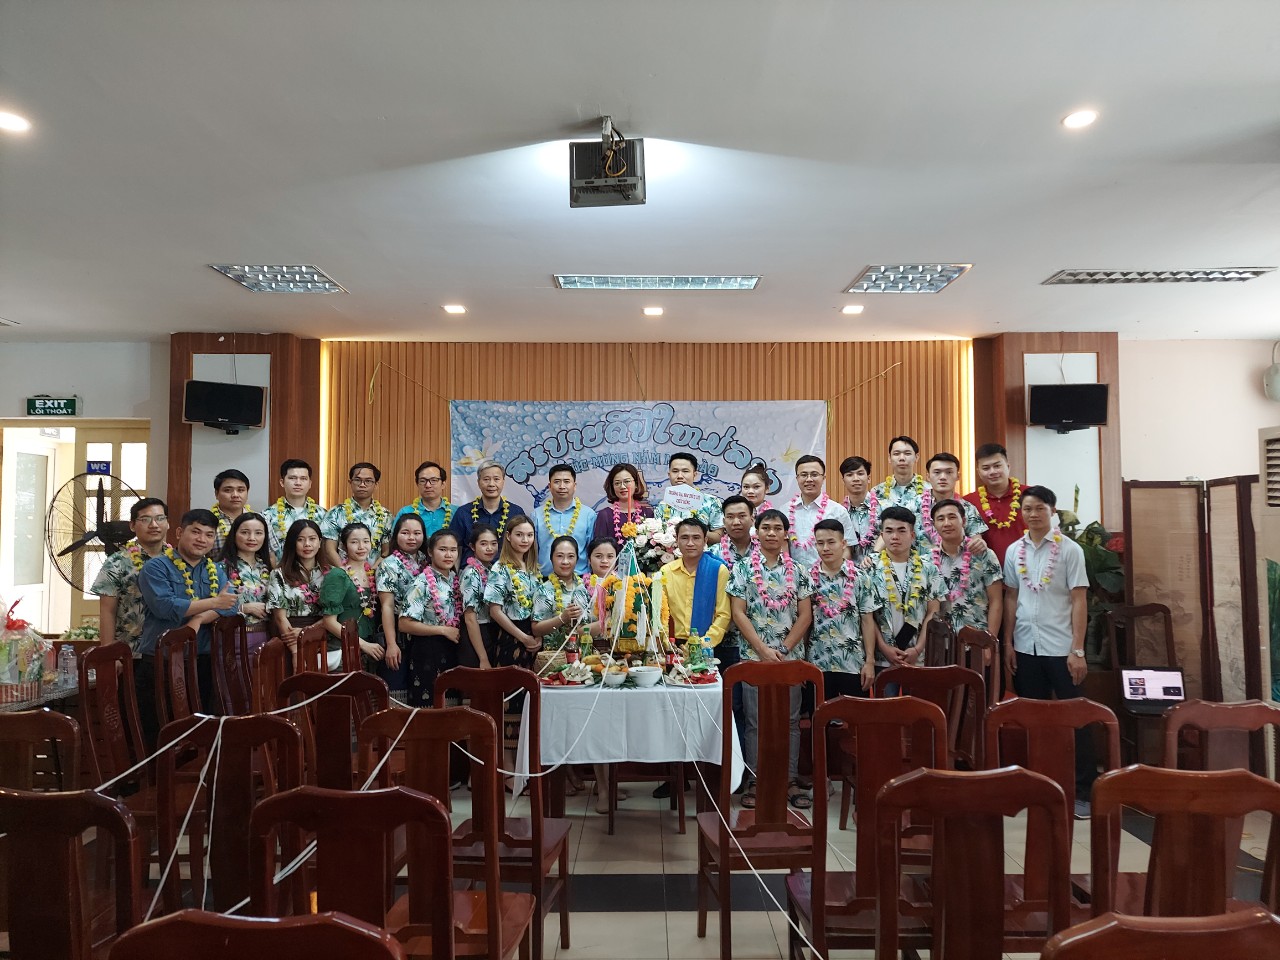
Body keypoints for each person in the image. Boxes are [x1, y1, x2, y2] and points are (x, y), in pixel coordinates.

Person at [1002, 485, 1096, 816]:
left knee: (1076, 719)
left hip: (1061, 648)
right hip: (1026, 646)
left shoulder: (1070, 550)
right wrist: (1009, 643)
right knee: (1033, 720)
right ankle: (1037, 786)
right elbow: (1011, 597)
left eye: (1040, 508)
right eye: (1027, 509)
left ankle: (1083, 791)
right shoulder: (1014, 550)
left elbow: (1079, 600)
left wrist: (1078, 650)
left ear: (1052, 511)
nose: (1033, 514)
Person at [727, 508, 813, 811]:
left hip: (790, 660)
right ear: (757, 532)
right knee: (754, 722)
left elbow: (805, 615)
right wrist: (763, 651)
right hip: (754, 659)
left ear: (786, 534)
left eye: (778, 528)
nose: (772, 533)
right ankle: (755, 780)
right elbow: (738, 613)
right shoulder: (742, 569)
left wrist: (785, 650)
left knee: (790, 722)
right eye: (766, 528)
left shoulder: (799, 571)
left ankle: (789, 780)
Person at [138, 509, 239, 748]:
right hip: (162, 661)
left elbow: (231, 606)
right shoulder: (156, 567)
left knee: (201, 730)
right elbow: (165, 606)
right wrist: (214, 603)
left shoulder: (215, 570)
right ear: (179, 532)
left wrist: (199, 619)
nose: (202, 539)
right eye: (196, 532)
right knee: (162, 732)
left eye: (209, 535)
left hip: (202, 660)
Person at [864, 506, 944, 674]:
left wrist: (918, 649)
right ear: (882, 535)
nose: (895, 536)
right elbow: (866, 614)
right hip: (881, 657)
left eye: (901, 531)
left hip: (918, 657)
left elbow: (933, 612)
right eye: (889, 531)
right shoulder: (870, 568)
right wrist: (883, 647)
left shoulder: (929, 568)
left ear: (912, 535)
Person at [807, 518, 877, 699]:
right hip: (818, 662)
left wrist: (870, 662)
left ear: (843, 543)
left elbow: (867, 621)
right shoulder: (807, 578)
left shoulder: (860, 577)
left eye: (831, 542)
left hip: (852, 663)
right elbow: (804, 622)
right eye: (820, 543)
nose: (825, 548)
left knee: (856, 714)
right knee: (820, 714)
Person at [92, 497, 169, 658]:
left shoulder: (176, 560)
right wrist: (110, 655)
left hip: (169, 652)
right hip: (130, 654)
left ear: (167, 523)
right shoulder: (117, 562)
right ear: (132, 525)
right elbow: (107, 611)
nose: (154, 525)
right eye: (145, 519)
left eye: (160, 518)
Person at [400, 530, 465, 706]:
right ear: (430, 551)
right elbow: (404, 624)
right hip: (427, 650)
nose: (448, 555)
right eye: (442, 549)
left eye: (453, 550)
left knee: (451, 707)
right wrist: (443, 630)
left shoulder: (455, 579)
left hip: (452, 649)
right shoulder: (421, 582)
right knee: (429, 707)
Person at [930, 499, 1003, 641]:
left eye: (952, 517)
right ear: (934, 525)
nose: (947, 523)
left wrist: (990, 643)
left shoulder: (984, 555)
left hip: (977, 640)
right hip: (940, 642)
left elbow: (996, 602)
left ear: (963, 521)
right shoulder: (928, 560)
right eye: (941, 519)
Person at [657, 518, 731, 649]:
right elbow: (660, 612)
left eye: (696, 538)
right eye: (684, 538)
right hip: (672, 646)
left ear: (705, 541)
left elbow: (723, 614)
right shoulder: (666, 571)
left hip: (708, 646)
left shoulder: (718, 570)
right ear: (677, 540)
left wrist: (701, 644)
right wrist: (667, 642)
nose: (690, 543)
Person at [318, 523, 382, 673]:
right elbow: (329, 622)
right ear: (344, 546)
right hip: (342, 649)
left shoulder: (374, 574)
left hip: (369, 650)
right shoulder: (338, 575)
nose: (361, 547)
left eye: (366, 541)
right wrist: (363, 645)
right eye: (354, 542)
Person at [375, 513, 425, 701]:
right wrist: (391, 644)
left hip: (423, 632)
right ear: (396, 535)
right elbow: (387, 606)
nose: (412, 538)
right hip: (397, 631)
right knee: (397, 688)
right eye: (405, 533)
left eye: (417, 533)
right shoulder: (389, 564)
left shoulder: (427, 560)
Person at [484, 514, 541, 667]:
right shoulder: (500, 568)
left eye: (529, 535)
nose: (525, 540)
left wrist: (538, 635)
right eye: (519, 535)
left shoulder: (532, 568)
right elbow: (495, 611)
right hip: (511, 635)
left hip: (533, 635)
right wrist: (523, 638)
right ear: (508, 536)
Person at [962, 442, 1028, 565]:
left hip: (1026, 567)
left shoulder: (1030, 495)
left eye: (997, 466)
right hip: (987, 570)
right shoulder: (968, 502)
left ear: (1008, 466)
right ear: (978, 472)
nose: (992, 472)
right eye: (986, 468)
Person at [785, 455, 854, 570]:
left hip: (827, 577)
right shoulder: (784, 511)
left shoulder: (838, 511)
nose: (809, 479)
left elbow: (847, 548)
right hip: (793, 576)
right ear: (797, 478)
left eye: (814, 474)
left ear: (823, 478)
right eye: (804, 475)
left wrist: (834, 575)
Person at [219, 511, 274, 656]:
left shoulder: (269, 568)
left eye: (258, 533)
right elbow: (212, 606)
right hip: (234, 638)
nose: (252, 538)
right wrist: (243, 608)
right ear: (234, 534)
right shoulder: (220, 568)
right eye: (245, 532)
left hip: (267, 637)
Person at [266, 518, 327, 647]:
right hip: (290, 634)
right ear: (292, 543)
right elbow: (280, 618)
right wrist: (295, 650)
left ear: (320, 542)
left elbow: (335, 615)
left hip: (323, 635)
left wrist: (308, 632)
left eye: (312, 539)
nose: (307, 544)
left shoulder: (330, 573)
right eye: (300, 540)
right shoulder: (279, 574)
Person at [450, 458, 527, 560]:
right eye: (486, 479)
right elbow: (455, 547)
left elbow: (523, 545)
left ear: (503, 482)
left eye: (496, 479)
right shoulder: (463, 512)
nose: (491, 484)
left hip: (507, 568)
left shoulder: (516, 513)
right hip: (471, 568)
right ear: (478, 482)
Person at [322, 463, 391, 566]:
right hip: (343, 572)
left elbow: (386, 552)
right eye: (357, 480)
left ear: (376, 485)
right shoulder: (335, 513)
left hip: (375, 573)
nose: (362, 485)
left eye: (368, 481)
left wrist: (373, 571)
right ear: (350, 482)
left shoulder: (385, 516)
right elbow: (329, 550)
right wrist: (345, 571)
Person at [532, 536, 594, 651]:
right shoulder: (544, 590)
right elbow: (536, 630)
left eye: (571, 556)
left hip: (585, 653)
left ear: (577, 559)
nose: (565, 561)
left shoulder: (584, 587)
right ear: (551, 558)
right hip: (555, 655)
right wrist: (562, 618)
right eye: (560, 556)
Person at [536, 463, 597, 576]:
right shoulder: (536, 515)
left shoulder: (589, 515)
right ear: (549, 486)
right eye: (557, 482)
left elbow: (593, 551)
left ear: (574, 485)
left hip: (580, 579)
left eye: (566, 481)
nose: (562, 486)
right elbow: (532, 551)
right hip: (545, 578)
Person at [652, 453, 725, 543]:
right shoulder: (662, 505)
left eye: (685, 471)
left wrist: (694, 531)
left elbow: (719, 537)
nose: (679, 476)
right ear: (669, 475)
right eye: (675, 471)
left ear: (695, 475)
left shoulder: (711, 502)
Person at [922, 452, 988, 552]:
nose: (943, 477)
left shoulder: (968, 508)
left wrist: (979, 543)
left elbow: (976, 541)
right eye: (937, 472)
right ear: (928, 477)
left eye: (949, 472)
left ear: (958, 476)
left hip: (959, 561)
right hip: (920, 561)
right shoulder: (912, 505)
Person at [263, 459, 323, 561]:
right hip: (280, 569)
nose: (298, 483)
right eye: (292, 478)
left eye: (303, 479)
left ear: (310, 484)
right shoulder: (267, 515)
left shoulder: (323, 514)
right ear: (282, 482)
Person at [460, 524, 500, 669]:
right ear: (472, 546)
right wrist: (483, 658)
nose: (489, 548)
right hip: (476, 634)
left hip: (491, 631)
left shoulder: (492, 570)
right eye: (483, 544)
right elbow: (470, 618)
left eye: (493, 543)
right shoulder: (471, 573)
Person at [591, 462, 654, 549]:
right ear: (612, 487)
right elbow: (599, 549)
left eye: (627, 481)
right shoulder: (605, 515)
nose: (622, 486)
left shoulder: (648, 513)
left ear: (636, 484)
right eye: (617, 483)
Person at [393, 460, 454, 538]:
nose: (428, 485)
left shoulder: (456, 512)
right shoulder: (405, 512)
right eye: (422, 481)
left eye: (433, 480)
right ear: (417, 484)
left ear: (443, 484)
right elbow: (394, 540)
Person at [872, 436, 929, 518]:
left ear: (916, 457)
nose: (902, 458)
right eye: (896, 454)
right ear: (889, 458)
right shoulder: (877, 492)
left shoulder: (929, 490)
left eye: (907, 453)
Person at [839, 456, 880, 566]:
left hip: (880, 570)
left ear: (869, 478)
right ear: (843, 481)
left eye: (860, 473)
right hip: (850, 572)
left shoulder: (884, 507)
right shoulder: (839, 512)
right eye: (849, 475)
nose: (855, 478)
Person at [209, 468, 253, 553]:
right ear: (216, 494)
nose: (235, 495)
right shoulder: (208, 522)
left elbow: (270, 555)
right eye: (228, 490)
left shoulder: (259, 520)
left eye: (240, 490)